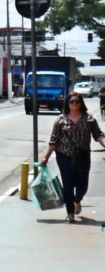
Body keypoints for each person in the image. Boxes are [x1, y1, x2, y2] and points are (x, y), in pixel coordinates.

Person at [40, 92, 105, 223]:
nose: (74, 103)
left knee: (82, 186)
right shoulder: (60, 120)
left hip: (83, 155)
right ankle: (70, 212)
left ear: (81, 103)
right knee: (68, 184)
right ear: (67, 104)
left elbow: (98, 135)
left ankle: (77, 200)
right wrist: (45, 156)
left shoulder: (89, 119)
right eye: (72, 101)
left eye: (77, 101)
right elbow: (53, 141)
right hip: (64, 155)